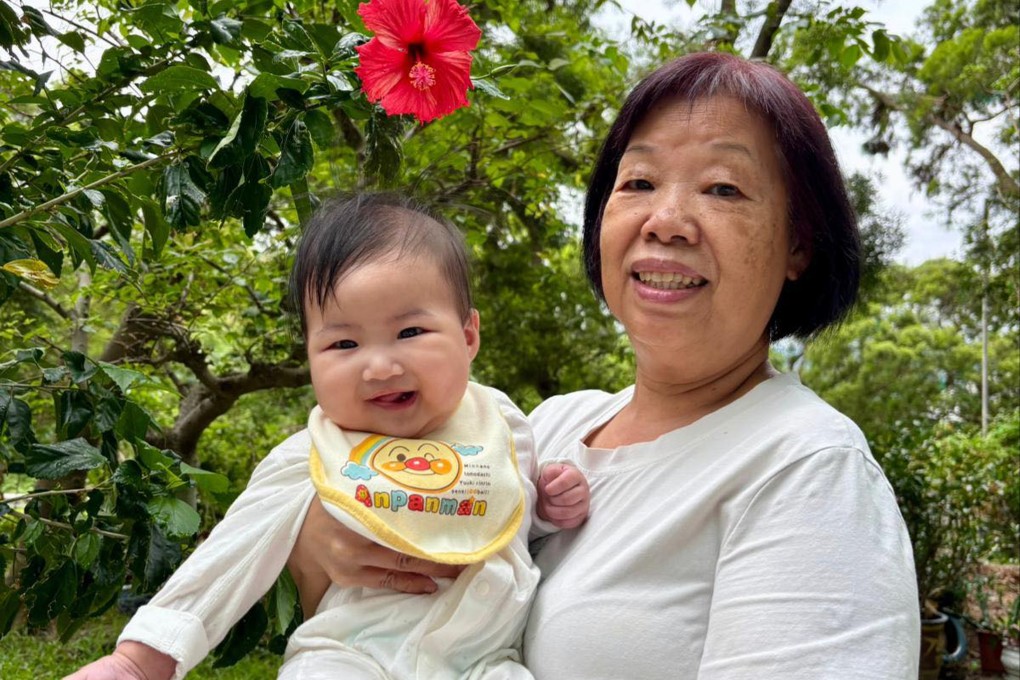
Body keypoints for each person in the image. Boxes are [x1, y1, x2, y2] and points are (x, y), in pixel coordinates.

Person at [285, 52, 921, 678]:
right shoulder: (547, 427)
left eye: (723, 188)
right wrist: (319, 548)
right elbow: (377, 639)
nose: (665, 222)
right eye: (639, 183)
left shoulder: (807, 468)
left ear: (798, 247)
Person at [66, 194, 589, 680]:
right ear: (311, 356)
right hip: (350, 651)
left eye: (410, 332)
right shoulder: (314, 454)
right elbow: (229, 557)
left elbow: (506, 511)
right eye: (344, 342)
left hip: (485, 659)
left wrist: (545, 506)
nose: (380, 367)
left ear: (468, 336)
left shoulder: (497, 421)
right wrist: (140, 661)